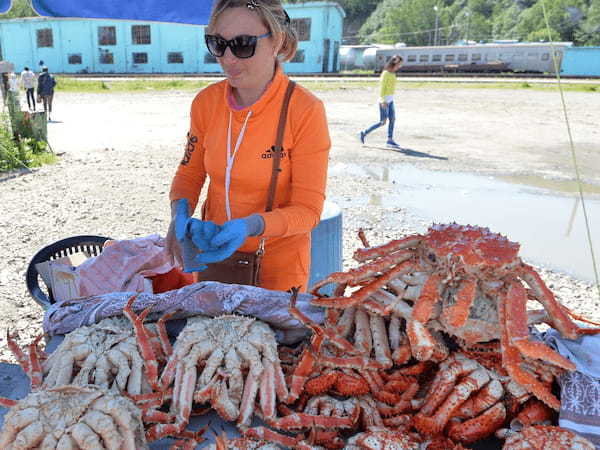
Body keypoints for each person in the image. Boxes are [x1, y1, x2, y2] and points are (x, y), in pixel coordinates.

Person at [166, 0, 331, 292]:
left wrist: (251, 226)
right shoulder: (206, 103)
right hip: (214, 259)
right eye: (218, 44)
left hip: (277, 271)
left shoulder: (304, 110)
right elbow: (190, 173)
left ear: (276, 41)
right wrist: (178, 214)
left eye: (243, 44)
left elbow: (308, 210)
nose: (228, 58)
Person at [358, 55, 403, 149]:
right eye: (399, 64)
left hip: (390, 100)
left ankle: (389, 140)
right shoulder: (385, 73)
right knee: (382, 122)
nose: (400, 66)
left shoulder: (393, 74)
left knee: (392, 119)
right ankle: (363, 133)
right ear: (394, 63)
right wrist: (383, 100)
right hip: (384, 100)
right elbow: (382, 88)